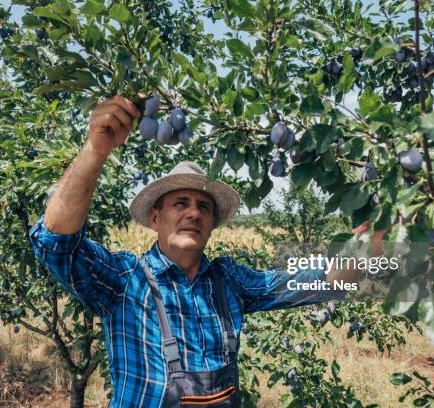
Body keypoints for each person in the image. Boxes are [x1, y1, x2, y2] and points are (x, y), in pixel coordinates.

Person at [28, 95, 387, 407]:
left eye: (204, 207)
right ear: (155, 218)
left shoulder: (230, 280)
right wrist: (96, 149)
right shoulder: (125, 281)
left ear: (212, 224)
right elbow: (57, 245)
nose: (193, 212)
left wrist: (370, 242)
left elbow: (320, 282)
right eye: (180, 203)